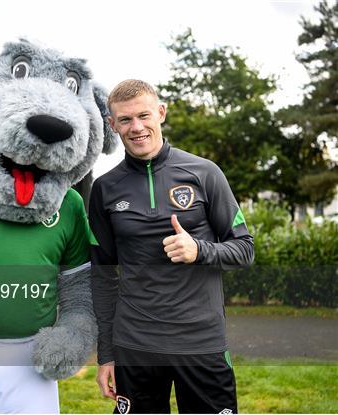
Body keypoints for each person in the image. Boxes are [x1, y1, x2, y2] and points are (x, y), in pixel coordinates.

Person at [89, 79, 254, 414]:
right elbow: (102, 278)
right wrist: (106, 353)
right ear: (112, 125)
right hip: (136, 344)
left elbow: (244, 249)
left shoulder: (204, 173)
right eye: (125, 120)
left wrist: (199, 251)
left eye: (144, 116)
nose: (136, 127)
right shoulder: (105, 189)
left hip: (201, 342)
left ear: (161, 113)